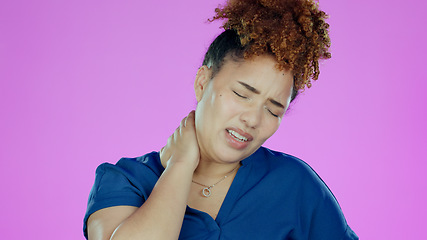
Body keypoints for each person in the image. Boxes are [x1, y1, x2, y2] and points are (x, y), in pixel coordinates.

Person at [83, 0, 358, 239]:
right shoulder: (125, 181)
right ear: (203, 82)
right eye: (242, 94)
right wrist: (180, 165)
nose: (252, 119)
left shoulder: (296, 185)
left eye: (273, 110)